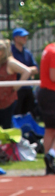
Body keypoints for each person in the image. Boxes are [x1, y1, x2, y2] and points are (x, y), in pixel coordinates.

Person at [0, 39, 31, 129]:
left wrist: (17, 86)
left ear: (3, 51)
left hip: (7, 101)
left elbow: (27, 71)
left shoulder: (10, 63)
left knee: (6, 127)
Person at [10, 28, 38, 116]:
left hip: (28, 88)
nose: (25, 39)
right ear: (16, 38)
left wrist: (24, 70)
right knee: (17, 113)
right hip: (16, 88)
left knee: (30, 113)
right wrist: (27, 71)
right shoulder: (11, 52)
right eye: (22, 37)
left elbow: (36, 69)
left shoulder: (27, 53)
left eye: (25, 37)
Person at [38, 40, 55, 174]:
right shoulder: (53, 52)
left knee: (49, 129)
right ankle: (52, 154)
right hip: (51, 92)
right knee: (50, 128)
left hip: (46, 92)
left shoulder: (48, 48)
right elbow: (53, 75)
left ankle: (49, 160)